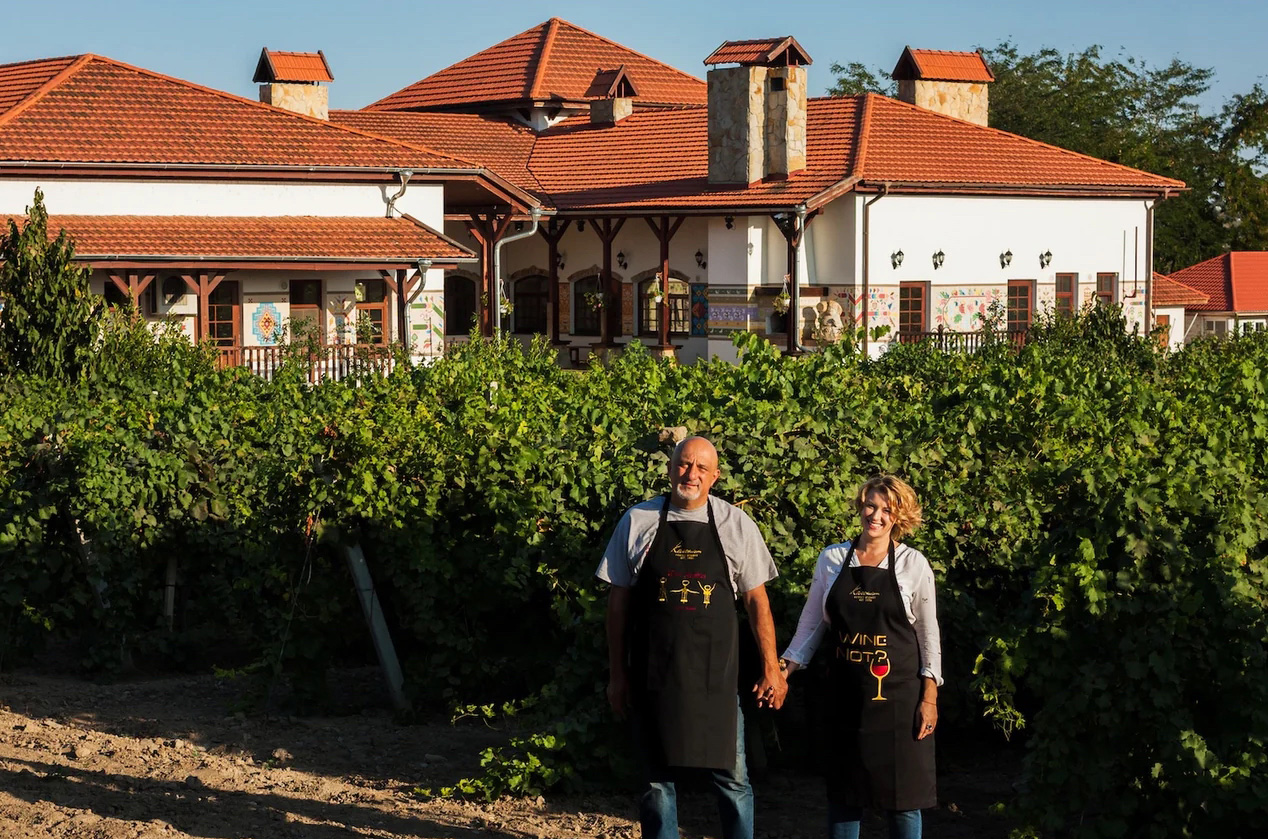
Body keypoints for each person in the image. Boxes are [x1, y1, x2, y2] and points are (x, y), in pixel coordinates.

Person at [597, 436, 788, 839]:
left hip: (716, 680)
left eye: (702, 468)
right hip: (655, 675)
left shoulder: (737, 525)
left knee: (734, 781)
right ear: (670, 469)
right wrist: (617, 674)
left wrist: (773, 668)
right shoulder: (638, 521)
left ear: (715, 476)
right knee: (655, 780)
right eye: (684, 464)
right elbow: (618, 604)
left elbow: (757, 603)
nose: (691, 474)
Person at [781, 474, 941, 839]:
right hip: (846, 698)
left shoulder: (913, 565)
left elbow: (928, 636)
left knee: (903, 801)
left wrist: (929, 697)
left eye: (887, 509)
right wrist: (784, 669)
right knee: (844, 794)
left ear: (898, 516)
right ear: (860, 506)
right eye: (871, 505)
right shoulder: (832, 559)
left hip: (900, 701)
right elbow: (810, 626)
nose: (877, 515)